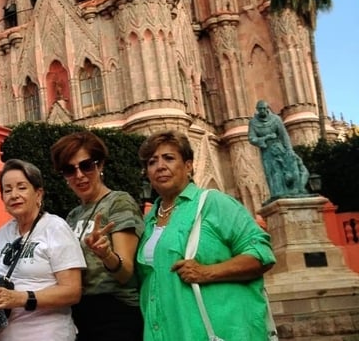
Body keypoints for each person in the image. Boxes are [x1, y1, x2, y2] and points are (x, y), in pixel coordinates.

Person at [136, 131, 276, 340]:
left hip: (221, 331)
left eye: (169, 158)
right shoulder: (147, 222)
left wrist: (208, 272)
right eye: (152, 162)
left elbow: (261, 254)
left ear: (188, 166)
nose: (160, 166)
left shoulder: (214, 203)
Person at [50, 131, 144, 340]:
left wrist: (106, 255)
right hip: (80, 313)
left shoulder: (119, 201)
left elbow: (125, 272)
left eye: (86, 165)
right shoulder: (72, 216)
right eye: (69, 170)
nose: (79, 175)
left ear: (100, 165)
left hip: (115, 312)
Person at [0, 159, 85, 341]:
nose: (14, 195)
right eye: (7, 190)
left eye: (21, 187)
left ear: (38, 194)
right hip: (4, 335)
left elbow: (72, 291)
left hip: (48, 334)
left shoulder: (55, 228)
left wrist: (20, 298)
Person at [248, 100, 310, 200]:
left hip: (279, 147)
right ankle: (277, 193)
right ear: (257, 110)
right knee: (272, 172)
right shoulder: (253, 123)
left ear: (267, 108)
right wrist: (265, 138)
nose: (263, 111)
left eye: (264, 108)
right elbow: (252, 138)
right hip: (267, 151)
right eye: (260, 109)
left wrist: (289, 149)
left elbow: (284, 135)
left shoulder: (276, 119)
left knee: (288, 169)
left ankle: (295, 190)